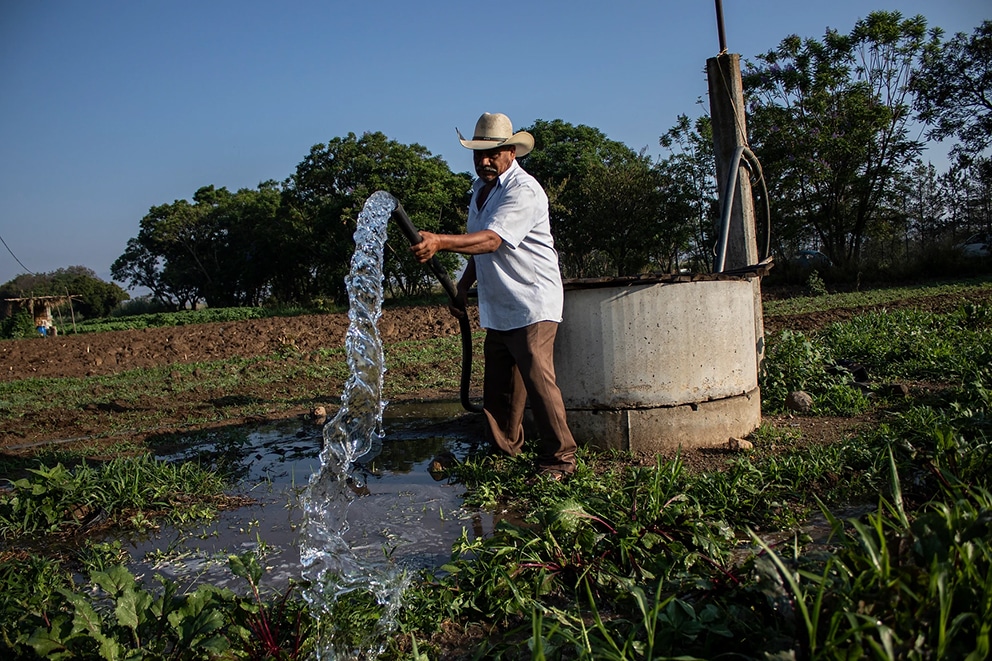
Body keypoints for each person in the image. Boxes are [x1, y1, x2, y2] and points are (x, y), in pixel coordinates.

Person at [411, 112, 576, 480]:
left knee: (537, 380)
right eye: (479, 154)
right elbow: (482, 250)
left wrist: (439, 242)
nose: (485, 161)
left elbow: (492, 239)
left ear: (512, 152)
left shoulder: (523, 191)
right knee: (501, 387)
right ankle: (505, 451)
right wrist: (464, 287)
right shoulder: (480, 191)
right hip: (501, 304)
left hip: (532, 300)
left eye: (494, 153)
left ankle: (561, 459)